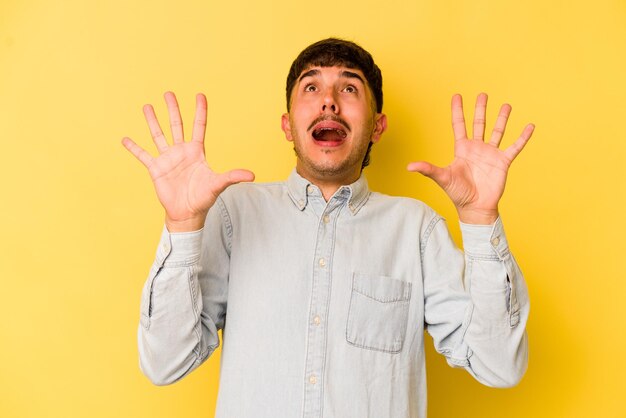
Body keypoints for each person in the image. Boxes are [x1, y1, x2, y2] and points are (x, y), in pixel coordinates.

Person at [122, 38, 534, 418]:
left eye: (349, 88)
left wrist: (481, 220)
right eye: (311, 87)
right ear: (287, 125)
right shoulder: (233, 215)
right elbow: (165, 363)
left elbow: (498, 365)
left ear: (377, 126)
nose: (330, 103)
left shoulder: (416, 230)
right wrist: (182, 226)